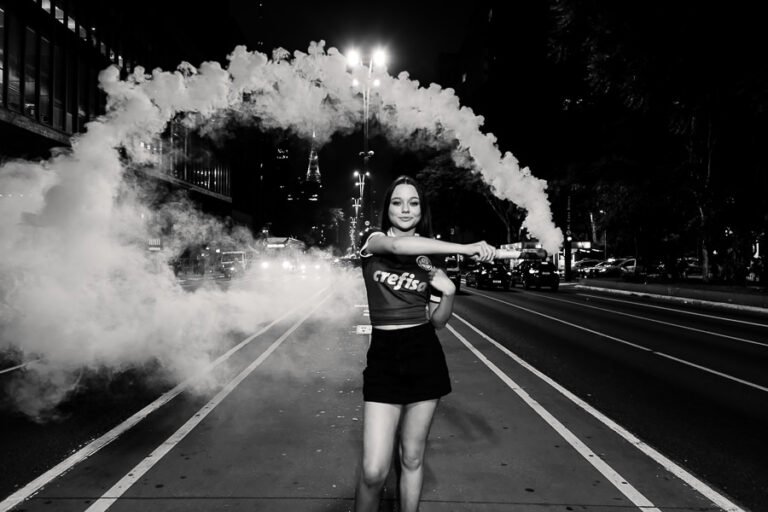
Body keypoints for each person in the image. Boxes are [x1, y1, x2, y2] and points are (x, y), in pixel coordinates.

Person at [354, 175, 497, 512]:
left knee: (412, 457)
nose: (405, 209)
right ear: (387, 208)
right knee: (373, 471)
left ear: (422, 210)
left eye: (413, 202)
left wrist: (448, 293)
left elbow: (438, 321)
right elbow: (397, 248)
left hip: (423, 355)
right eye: (397, 202)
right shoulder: (372, 240)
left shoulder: (432, 257)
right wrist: (466, 248)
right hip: (384, 358)